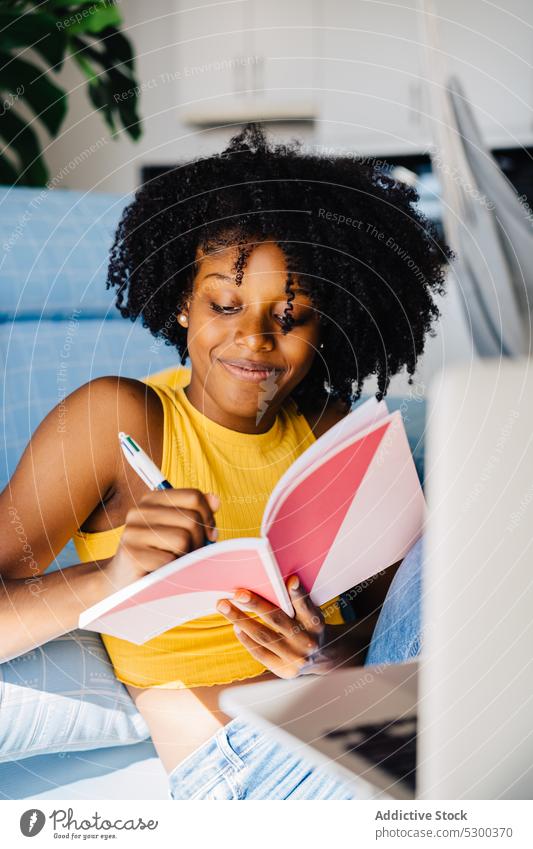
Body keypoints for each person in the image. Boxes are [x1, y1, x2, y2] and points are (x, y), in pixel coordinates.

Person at [0, 124, 450, 799]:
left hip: (349, 717)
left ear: (324, 325)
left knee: (462, 539)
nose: (253, 339)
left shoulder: (333, 430)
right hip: (238, 765)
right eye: (224, 304)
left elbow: (396, 638)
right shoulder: (120, 420)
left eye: (290, 316)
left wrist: (321, 652)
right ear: (183, 301)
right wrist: (112, 577)